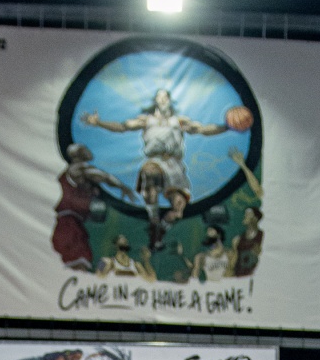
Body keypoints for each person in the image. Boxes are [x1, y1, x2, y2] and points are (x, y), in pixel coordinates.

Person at [81, 88, 230, 250]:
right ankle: (153, 218)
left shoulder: (179, 121)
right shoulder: (147, 121)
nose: (163, 100)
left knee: (178, 211)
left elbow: (203, 129)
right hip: (155, 160)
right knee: (150, 173)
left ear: (170, 101)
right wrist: (99, 122)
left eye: (165, 97)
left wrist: (227, 127)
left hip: (174, 165)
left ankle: (158, 232)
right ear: (155, 102)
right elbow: (122, 126)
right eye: (160, 97)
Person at [51, 143, 137, 271]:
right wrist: (123, 187)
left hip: (72, 223)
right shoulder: (77, 169)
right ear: (79, 154)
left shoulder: (78, 175)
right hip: (68, 224)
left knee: (80, 260)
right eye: (85, 151)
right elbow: (102, 176)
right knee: (79, 261)